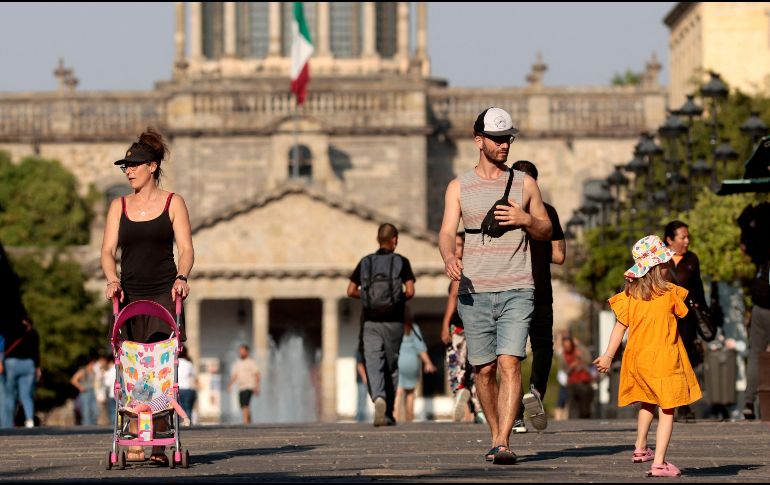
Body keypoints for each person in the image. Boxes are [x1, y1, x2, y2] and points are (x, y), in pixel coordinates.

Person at [438, 107, 552, 465]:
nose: (505, 145)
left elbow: (547, 230)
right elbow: (445, 232)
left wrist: (526, 219)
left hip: (518, 286)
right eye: (498, 139)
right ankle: (495, 433)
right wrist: (448, 258)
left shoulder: (525, 183)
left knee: (510, 363)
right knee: (483, 370)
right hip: (475, 291)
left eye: (508, 139)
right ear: (479, 141)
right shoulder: (458, 187)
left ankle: (503, 441)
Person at [101, 128, 194, 464]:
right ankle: (134, 434)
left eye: (134, 165)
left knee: (160, 366)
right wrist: (112, 279)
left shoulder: (174, 202)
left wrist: (182, 276)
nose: (128, 170)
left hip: (164, 291)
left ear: (152, 166)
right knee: (132, 367)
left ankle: (157, 443)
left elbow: (185, 248)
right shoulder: (119, 206)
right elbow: (108, 251)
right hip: (130, 293)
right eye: (125, 166)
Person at [594, 235, 701, 478]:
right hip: (664, 358)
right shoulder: (671, 293)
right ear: (659, 267)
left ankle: (641, 448)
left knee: (647, 401)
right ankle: (660, 463)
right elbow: (684, 313)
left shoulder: (630, 296)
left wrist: (608, 356)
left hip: (638, 359)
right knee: (667, 409)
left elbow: (619, 328)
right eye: (664, 263)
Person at [510, 160, 566, 433]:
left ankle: (516, 417)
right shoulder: (550, 213)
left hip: (511, 290)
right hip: (541, 288)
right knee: (542, 346)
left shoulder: (503, 212)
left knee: (511, 353)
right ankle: (536, 392)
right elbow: (559, 256)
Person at [347, 223, 416, 427]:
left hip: (370, 322)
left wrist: (368, 296)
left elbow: (350, 290)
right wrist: (394, 299)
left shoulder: (365, 262)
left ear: (378, 239)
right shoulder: (401, 262)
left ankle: (378, 397)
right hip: (394, 322)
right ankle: (389, 413)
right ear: (394, 239)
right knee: (391, 366)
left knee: (373, 364)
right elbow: (410, 291)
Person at [664, 220, 707, 422]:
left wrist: (705, 315)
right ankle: (667, 402)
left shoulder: (692, 259)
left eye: (688, 237)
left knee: (685, 360)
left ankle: (683, 405)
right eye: (683, 237)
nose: (687, 241)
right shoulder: (659, 259)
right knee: (667, 362)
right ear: (669, 240)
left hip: (687, 319)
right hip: (665, 319)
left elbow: (698, 289)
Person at [440, 232, 483, 423]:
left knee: (456, 364)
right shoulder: (476, 266)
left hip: (459, 325)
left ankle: (460, 395)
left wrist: (444, 324)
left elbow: (452, 297)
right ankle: (479, 410)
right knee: (476, 367)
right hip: (475, 323)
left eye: (459, 245)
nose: (457, 249)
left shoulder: (458, 268)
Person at [737, 202, 770, 420]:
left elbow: (744, 247)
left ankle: (749, 401)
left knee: (756, 352)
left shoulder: (757, 242)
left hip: (760, 304)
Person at [395, 312, 437, 422]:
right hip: (412, 364)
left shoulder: (394, 327)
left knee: (398, 392)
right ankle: (409, 420)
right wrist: (428, 362)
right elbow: (421, 348)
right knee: (410, 393)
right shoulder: (414, 328)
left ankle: (395, 418)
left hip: (399, 363)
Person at [3, 317, 40, 428]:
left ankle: (8, 422)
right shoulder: (33, 333)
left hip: (12, 363)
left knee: (10, 395)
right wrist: (38, 367)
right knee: (26, 395)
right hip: (29, 364)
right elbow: (36, 352)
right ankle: (29, 420)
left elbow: (4, 347)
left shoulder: (11, 330)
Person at [557, 333, 594, 419]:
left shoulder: (579, 350)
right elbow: (564, 369)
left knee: (585, 408)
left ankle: (586, 420)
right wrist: (572, 366)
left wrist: (580, 357)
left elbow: (589, 360)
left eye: (569, 345)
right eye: (565, 346)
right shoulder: (562, 355)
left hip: (584, 382)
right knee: (573, 407)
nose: (567, 347)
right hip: (572, 383)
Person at [227, 344, 260, 424]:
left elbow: (257, 374)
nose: (241, 352)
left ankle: (245, 421)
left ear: (247, 352)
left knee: (245, 403)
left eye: (242, 351)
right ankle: (249, 420)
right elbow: (235, 375)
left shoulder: (251, 362)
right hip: (241, 387)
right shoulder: (238, 363)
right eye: (240, 351)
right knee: (243, 405)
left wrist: (257, 386)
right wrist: (230, 385)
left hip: (249, 386)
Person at [70, 354, 99, 426]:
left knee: (95, 411)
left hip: (92, 392)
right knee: (86, 411)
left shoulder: (93, 372)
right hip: (85, 393)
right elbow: (73, 380)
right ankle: (87, 427)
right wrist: (80, 386)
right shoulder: (83, 371)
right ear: (91, 363)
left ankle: (93, 425)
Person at [177, 346, 197, 425]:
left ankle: (180, 423)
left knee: (179, 408)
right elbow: (194, 376)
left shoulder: (174, 363)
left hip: (177, 388)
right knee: (188, 407)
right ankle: (188, 424)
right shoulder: (189, 363)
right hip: (188, 388)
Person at [355, 349, 369, 422]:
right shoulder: (360, 351)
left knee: (364, 400)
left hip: (366, 380)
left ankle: (363, 419)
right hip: (362, 381)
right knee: (361, 400)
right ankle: (360, 420)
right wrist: (365, 378)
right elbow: (359, 365)